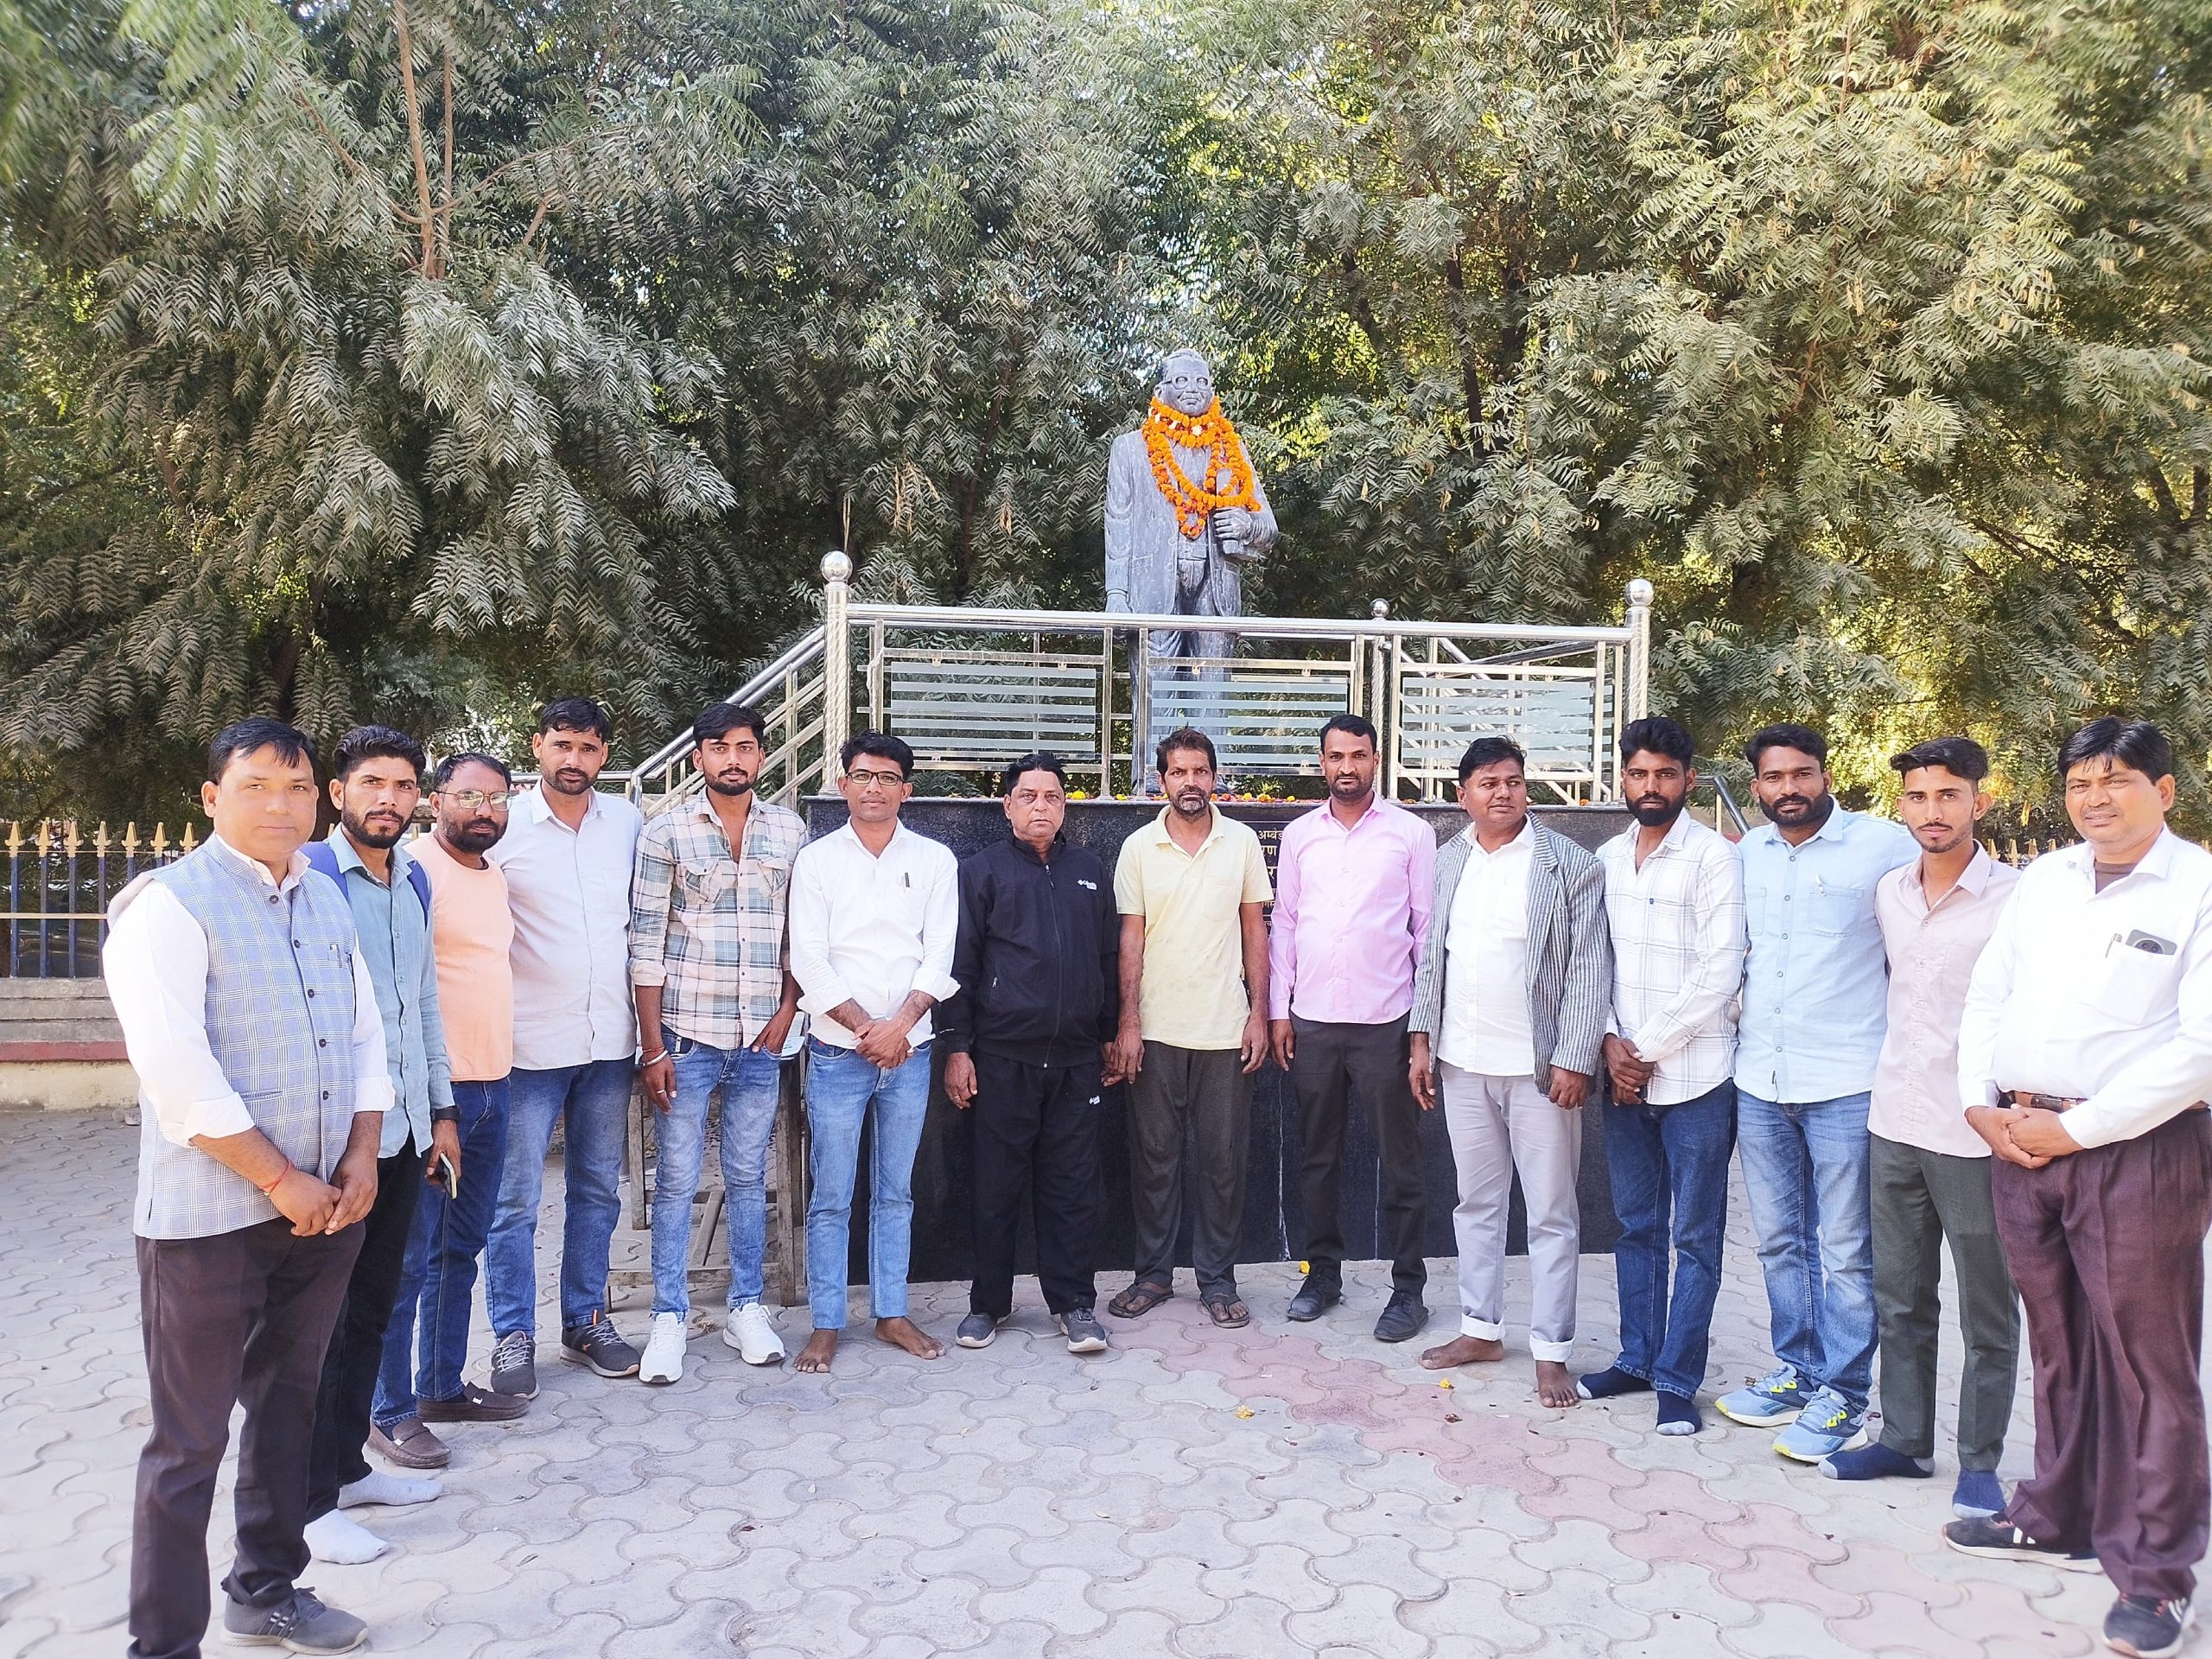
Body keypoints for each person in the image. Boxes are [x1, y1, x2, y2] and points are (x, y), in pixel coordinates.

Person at [106, 718, 391, 1659]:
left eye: (298, 788)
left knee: (287, 1407)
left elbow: (365, 1037)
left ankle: (266, 1590)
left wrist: (361, 1154)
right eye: (257, 786)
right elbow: (177, 1075)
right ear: (211, 799)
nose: (282, 805)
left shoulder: (324, 897)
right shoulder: (166, 908)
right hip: (207, 1223)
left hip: (325, 1210)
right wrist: (279, 1178)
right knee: (186, 1444)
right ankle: (164, 1644)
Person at [1947, 718, 2212, 1659]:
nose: (2095, 799)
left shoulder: (2198, 888)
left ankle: (2156, 1576)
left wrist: (2079, 1129)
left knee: (2149, 1365)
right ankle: (2055, 1514)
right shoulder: (2047, 881)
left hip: (2138, 1151)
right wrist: (1979, 1105)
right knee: (2057, 1345)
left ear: (2163, 792)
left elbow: (2200, 1048)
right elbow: (1989, 994)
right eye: (2079, 784)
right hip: (2021, 1142)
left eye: (2116, 781)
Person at [1821, 738, 2019, 1519]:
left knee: (1987, 1308)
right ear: (1901, 804)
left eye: (1948, 795)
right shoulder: (1890, 892)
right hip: (1894, 1120)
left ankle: (1981, 1461)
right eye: (1917, 796)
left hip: (1974, 1131)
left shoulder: (2016, 899)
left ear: (1979, 801)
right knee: (1900, 1297)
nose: (1932, 811)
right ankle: (1904, 1441)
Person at [1715, 722, 1916, 1462]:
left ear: (1826, 776)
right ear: (1757, 786)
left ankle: (1846, 1395)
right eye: (1774, 778)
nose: (1789, 789)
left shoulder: (1884, 846)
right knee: (1778, 1241)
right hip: (1760, 1077)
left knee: (1846, 1251)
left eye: (1802, 774)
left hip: (1846, 1081)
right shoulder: (1749, 854)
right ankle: (1798, 1371)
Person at [1408, 736, 1611, 1408]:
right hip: (1462, 1063)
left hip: (1539, 1070)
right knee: (1476, 1204)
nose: (1503, 793)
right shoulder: (1447, 860)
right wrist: (1421, 1041)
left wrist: (1574, 1057)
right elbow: (1431, 957)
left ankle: (1551, 1351)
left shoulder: (1569, 864)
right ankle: (1482, 1329)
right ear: (1462, 795)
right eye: (1489, 783)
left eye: (1514, 781)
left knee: (1551, 1213)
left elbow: (1590, 967)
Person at [298, 727, 459, 1566]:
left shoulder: (413, 879)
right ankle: (306, 1505)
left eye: (402, 786)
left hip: (402, 1134)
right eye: (371, 783)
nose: (388, 799)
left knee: (373, 1307)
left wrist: (442, 1112)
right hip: (337, 1142)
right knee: (318, 1324)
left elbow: (422, 1003)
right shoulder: (312, 877)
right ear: (338, 793)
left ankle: (350, 1470)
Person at [1580, 715, 1746, 1435]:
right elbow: (1596, 961)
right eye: (1640, 774)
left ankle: (1678, 1380)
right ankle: (1638, 1359)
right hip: (1624, 1074)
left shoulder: (1714, 859)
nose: (1651, 786)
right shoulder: (1608, 858)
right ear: (1623, 778)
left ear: (1689, 780)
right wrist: (1610, 1041)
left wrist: (1641, 1051)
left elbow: (1720, 971)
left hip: (1697, 1080)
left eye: (1666, 775)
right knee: (1636, 1226)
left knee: (1696, 1236)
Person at [631, 702, 805, 1384]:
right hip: (687, 1034)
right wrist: (653, 1048)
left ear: (761, 755)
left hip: (762, 1038)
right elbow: (645, 944)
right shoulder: (666, 832)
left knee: (748, 1175)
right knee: (676, 1178)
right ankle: (669, 1317)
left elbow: (798, 934)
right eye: (720, 748)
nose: (734, 759)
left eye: (746, 747)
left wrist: (788, 1008)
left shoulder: (789, 830)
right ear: (698, 757)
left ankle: (745, 1308)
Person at [372, 753, 530, 1474]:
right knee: (407, 1260)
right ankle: (387, 1411)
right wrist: (434, 1107)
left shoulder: (492, 875)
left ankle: (439, 1386)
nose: (484, 811)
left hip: (495, 1084)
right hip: (436, 1098)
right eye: (468, 797)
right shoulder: (411, 871)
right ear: (437, 802)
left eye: (496, 799)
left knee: (459, 1250)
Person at [484, 696, 645, 1394]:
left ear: (604, 754)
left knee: (598, 1191)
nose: (573, 759)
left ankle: (585, 1322)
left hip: (609, 1040)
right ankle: (512, 1336)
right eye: (561, 745)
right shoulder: (504, 826)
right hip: (527, 1045)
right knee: (514, 1200)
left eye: (587, 747)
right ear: (537, 747)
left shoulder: (628, 824)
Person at [787, 731, 960, 1373]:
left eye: (888, 778)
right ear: (843, 784)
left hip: (909, 1052)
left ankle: (891, 1313)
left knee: (895, 1192)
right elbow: (808, 957)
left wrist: (900, 1027)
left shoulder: (935, 859)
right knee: (831, 1195)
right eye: (862, 776)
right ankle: (827, 1323)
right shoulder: (817, 861)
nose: (874, 788)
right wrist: (869, 1030)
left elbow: (940, 953)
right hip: (840, 1051)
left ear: (906, 790)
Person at [941, 753, 1122, 1356]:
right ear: (1008, 805)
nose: (1040, 807)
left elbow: (1106, 959)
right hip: (1001, 1059)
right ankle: (987, 1305)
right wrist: (958, 1049)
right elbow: (961, 966)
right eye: (1028, 796)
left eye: (1051, 797)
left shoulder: (1089, 870)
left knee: (1071, 1189)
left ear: (1065, 805)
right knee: (995, 1188)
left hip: (1075, 1062)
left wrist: (1109, 1033)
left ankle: (1074, 1305)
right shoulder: (981, 873)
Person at [1268, 713, 1436, 1342]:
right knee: (1318, 1157)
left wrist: (1422, 1031)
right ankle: (1322, 1276)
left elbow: (1426, 930)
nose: (1347, 767)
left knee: (1401, 1161)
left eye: (1358, 755)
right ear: (1322, 763)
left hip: (1386, 1022)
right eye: (1336, 756)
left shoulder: (1411, 834)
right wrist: (1279, 1010)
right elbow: (1286, 923)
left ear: (1375, 760)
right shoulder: (1300, 835)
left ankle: (1408, 1290)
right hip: (1312, 1020)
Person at [1105, 728, 1273, 1328]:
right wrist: (1128, 1022)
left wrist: (1259, 1013)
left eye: (1200, 771)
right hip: (1155, 1029)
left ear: (1215, 777)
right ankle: (1153, 1275)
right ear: (1162, 780)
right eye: (1178, 772)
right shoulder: (1138, 847)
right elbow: (1130, 939)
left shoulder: (1242, 842)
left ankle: (1218, 1281)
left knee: (1223, 1161)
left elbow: (1255, 930)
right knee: (1155, 1158)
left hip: (1225, 1028)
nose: (1191, 782)